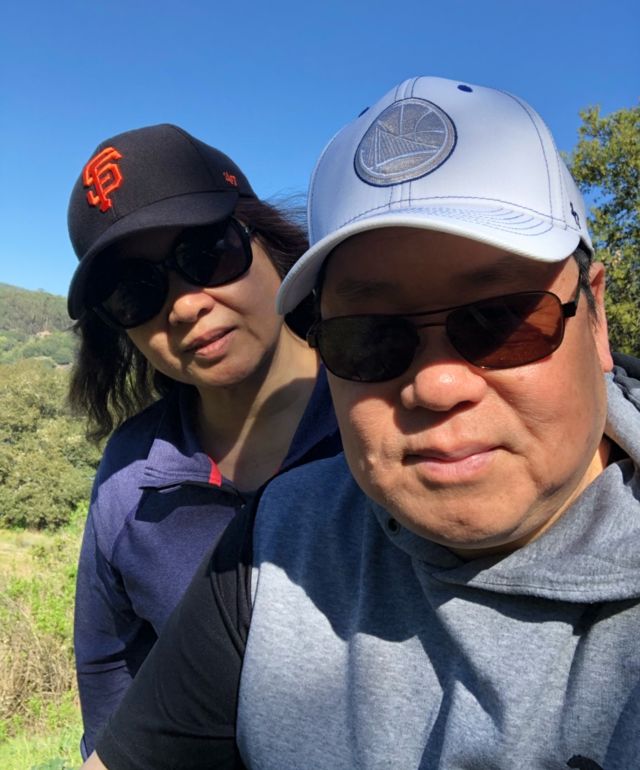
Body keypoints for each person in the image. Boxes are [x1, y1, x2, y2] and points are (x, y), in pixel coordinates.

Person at [83, 78, 640, 769]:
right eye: (370, 338)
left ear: (595, 317)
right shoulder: (276, 535)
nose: (437, 385)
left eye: (499, 319)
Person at [67, 123, 341, 757]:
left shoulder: (381, 407)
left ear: (267, 242)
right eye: (136, 293)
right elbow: (110, 665)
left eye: (207, 253)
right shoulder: (129, 476)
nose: (186, 306)